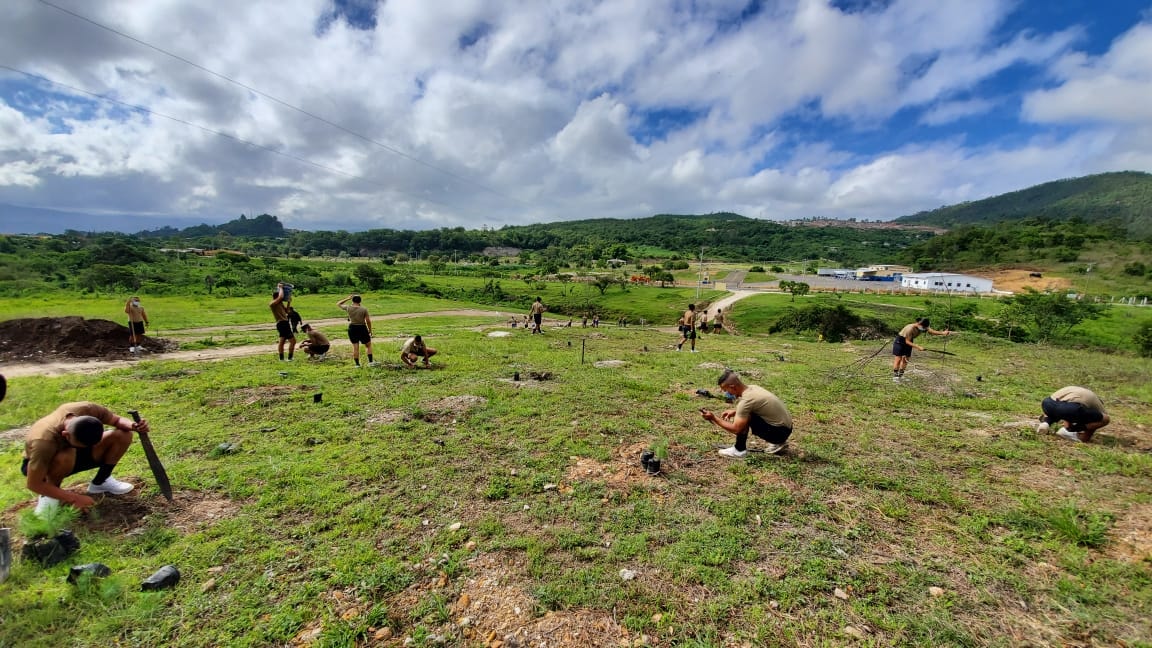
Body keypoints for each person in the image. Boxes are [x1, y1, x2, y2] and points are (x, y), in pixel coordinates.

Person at [21, 402, 151, 514]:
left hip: (73, 453)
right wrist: (73, 498)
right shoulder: (43, 441)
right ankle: (49, 498)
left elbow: (116, 421)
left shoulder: (87, 409)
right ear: (65, 435)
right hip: (45, 464)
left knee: (123, 434)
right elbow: (33, 483)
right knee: (65, 455)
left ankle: (101, 482)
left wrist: (133, 425)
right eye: (82, 445)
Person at [701, 370, 793, 457]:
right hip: (787, 428)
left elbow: (736, 429)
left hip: (779, 434)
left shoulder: (746, 401)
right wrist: (736, 411)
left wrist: (713, 418)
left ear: (733, 387)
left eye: (726, 390)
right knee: (744, 414)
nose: (726, 394)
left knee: (746, 417)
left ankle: (739, 450)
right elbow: (758, 406)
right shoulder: (753, 387)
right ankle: (778, 443)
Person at [1037, 386, 1110, 443]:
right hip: (1070, 408)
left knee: (1059, 409)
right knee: (1105, 419)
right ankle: (1075, 434)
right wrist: (1076, 429)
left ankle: (1045, 423)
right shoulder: (1098, 405)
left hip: (1047, 403)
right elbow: (1098, 420)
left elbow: (1063, 405)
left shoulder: (1080, 391)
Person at [891, 317, 950, 382]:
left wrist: (943, 333)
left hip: (909, 340)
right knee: (898, 359)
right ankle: (895, 376)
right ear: (918, 323)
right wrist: (917, 346)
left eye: (925, 327)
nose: (924, 329)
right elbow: (906, 341)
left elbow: (931, 331)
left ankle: (900, 376)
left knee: (906, 359)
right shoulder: (909, 328)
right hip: (900, 341)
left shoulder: (924, 326)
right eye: (923, 327)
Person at [337, 294, 375, 367]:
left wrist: (347, 298)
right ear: (360, 301)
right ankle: (370, 362)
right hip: (362, 327)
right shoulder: (364, 309)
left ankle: (357, 365)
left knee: (355, 347)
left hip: (352, 328)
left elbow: (338, 304)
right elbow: (368, 321)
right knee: (368, 345)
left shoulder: (348, 307)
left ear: (352, 300)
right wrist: (370, 330)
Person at [270, 285, 296, 361]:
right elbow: (281, 297)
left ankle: (282, 358)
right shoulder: (272, 304)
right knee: (293, 341)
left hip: (283, 323)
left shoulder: (280, 304)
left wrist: (288, 302)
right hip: (283, 324)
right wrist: (280, 287)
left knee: (282, 341)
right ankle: (290, 358)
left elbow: (287, 311)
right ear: (276, 297)